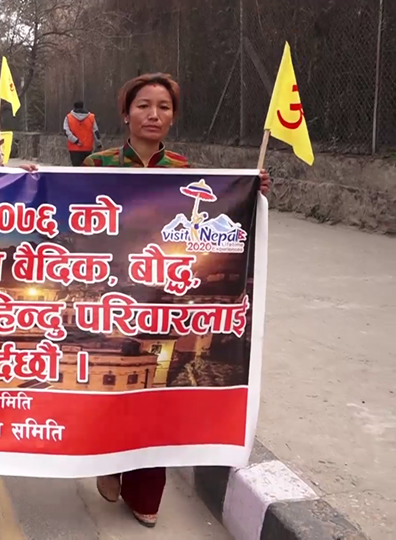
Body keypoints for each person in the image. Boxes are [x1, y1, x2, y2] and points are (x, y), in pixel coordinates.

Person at [84, 73, 270, 529]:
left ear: (173, 116)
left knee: (156, 391)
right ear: (125, 113)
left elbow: (213, 223)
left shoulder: (186, 172)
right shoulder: (97, 164)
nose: (153, 115)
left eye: (163, 107)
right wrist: (30, 180)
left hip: (164, 295)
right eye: (143, 105)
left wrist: (251, 191)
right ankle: (107, 461)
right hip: (112, 293)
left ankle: (145, 489)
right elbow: (67, 210)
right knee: (114, 385)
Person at [64, 100, 101, 166]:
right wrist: (98, 144)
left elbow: (66, 131)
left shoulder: (68, 117)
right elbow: (95, 131)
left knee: (76, 169)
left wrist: (75, 140)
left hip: (74, 148)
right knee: (87, 169)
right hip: (87, 148)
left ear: (74, 107)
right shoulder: (91, 117)